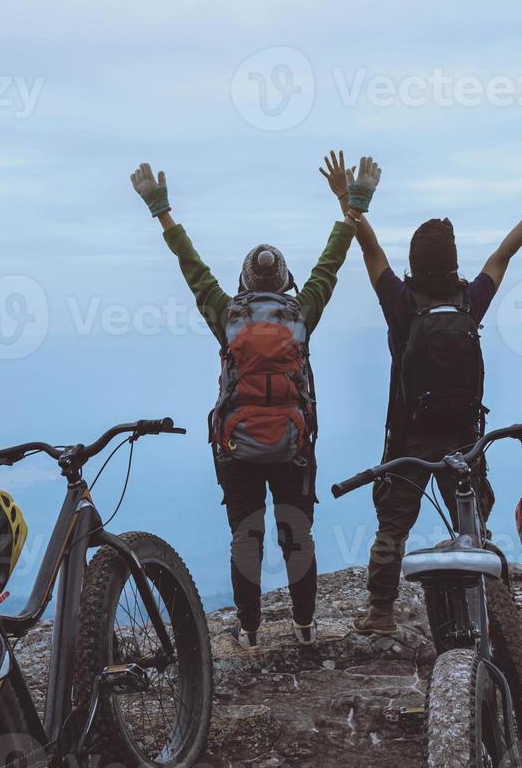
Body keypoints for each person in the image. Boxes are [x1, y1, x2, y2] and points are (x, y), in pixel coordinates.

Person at [129, 160, 374, 651]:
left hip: (236, 448)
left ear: (244, 281)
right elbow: (331, 262)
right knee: (296, 534)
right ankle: (305, 627)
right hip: (293, 445)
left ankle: (250, 629)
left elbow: (191, 268)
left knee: (247, 536)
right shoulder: (302, 312)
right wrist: (354, 203)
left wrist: (162, 211)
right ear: (285, 282)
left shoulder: (227, 314)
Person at [328, 160, 522, 635]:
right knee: (473, 525)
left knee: (392, 529)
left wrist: (347, 200)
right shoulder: (469, 301)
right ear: (453, 262)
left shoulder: (401, 304)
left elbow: (370, 249)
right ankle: (490, 609)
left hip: (408, 440)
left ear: (414, 264)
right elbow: (503, 256)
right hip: (463, 439)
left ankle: (380, 613)